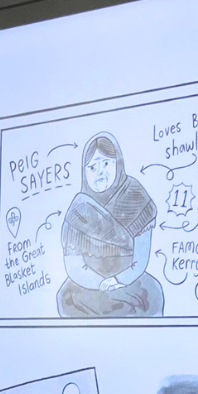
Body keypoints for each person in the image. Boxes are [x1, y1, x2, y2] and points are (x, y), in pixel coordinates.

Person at [55, 132, 164, 318]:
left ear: (118, 164)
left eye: (106, 164)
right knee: (66, 299)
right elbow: (74, 266)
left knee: (152, 296)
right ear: (84, 172)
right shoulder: (78, 209)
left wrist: (118, 280)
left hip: (130, 282)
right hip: (88, 286)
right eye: (92, 167)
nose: (100, 172)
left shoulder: (136, 197)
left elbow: (140, 259)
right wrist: (100, 283)